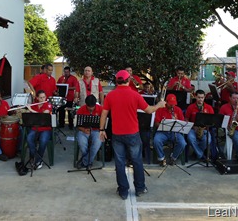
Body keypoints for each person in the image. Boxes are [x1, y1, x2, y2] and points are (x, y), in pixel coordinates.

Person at [99, 70, 165, 200]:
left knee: (119, 163)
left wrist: (102, 130)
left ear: (117, 81)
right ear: (128, 80)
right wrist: (158, 105)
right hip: (133, 134)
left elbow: (104, 114)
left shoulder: (110, 95)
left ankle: (123, 191)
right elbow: (148, 110)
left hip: (117, 134)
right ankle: (140, 188)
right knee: (137, 162)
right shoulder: (135, 95)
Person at [153, 94, 187, 166]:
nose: (172, 106)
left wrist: (176, 122)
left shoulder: (178, 110)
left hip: (174, 132)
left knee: (182, 143)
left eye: (174, 104)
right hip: (163, 132)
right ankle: (162, 158)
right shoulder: (160, 109)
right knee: (156, 141)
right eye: (170, 104)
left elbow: (182, 123)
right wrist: (164, 125)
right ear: (166, 102)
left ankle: (173, 157)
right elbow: (156, 123)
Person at [27, 90, 53, 170]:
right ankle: (34, 157)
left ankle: (37, 160)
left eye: (44, 97)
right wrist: (28, 109)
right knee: (29, 138)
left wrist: (31, 110)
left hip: (46, 128)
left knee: (43, 140)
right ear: (37, 98)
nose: (43, 99)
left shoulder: (48, 105)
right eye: (41, 98)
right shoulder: (34, 105)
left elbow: (43, 115)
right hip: (35, 127)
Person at [185, 90, 214, 161]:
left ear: (204, 98)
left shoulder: (209, 107)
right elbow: (186, 119)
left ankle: (196, 153)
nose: (200, 99)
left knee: (207, 140)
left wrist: (206, 127)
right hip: (193, 128)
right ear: (195, 97)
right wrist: (193, 126)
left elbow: (213, 120)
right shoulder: (191, 107)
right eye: (199, 97)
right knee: (191, 138)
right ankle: (201, 155)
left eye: (202, 97)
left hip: (204, 129)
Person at [75, 95, 103, 169]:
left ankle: (85, 161)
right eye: (89, 107)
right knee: (82, 142)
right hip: (84, 131)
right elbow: (77, 124)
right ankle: (89, 162)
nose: (91, 108)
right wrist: (83, 129)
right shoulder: (81, 109)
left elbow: (104, 123)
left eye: (92, 107)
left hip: (96, 131)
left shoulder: (101, 109)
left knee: (98, 142)